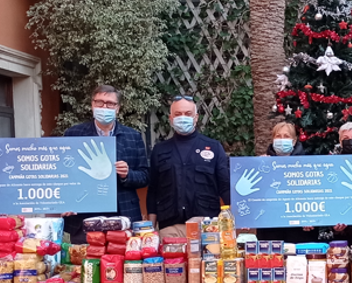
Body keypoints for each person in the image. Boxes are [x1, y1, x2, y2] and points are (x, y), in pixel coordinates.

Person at [61, 85, 149, 242]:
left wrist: (127, 174)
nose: (104, 107)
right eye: (99, 102)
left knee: (123, 261)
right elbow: (64, 173)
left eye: (110, 104)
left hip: (123, 212)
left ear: (118, 108)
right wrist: (66, 200)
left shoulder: (132, 136)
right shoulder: (74, 134)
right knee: (87, 261)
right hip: (84, 214)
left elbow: (144, 175)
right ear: (92, 105)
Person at [147, 95, 231, 238]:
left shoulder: (214, 147)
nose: (183, 117)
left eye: (188, 114)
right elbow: (153, 192)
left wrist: (239, 217)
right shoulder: (160, 150)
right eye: (178, 114)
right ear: (170, 118)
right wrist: (149, 230)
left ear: (196, 117)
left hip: (206, 226)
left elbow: (225, 187)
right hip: (170, 228)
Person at [255, 120, 310, 245]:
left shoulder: (308, 164)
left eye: (286, 136)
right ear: (273, 140)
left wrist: (311, 217)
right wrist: (259, 168)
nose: (282, 139)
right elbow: (254, 196)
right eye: (278, 136)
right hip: (269, 226)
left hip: (299, 228)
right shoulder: (262, 164)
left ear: (294, 141)